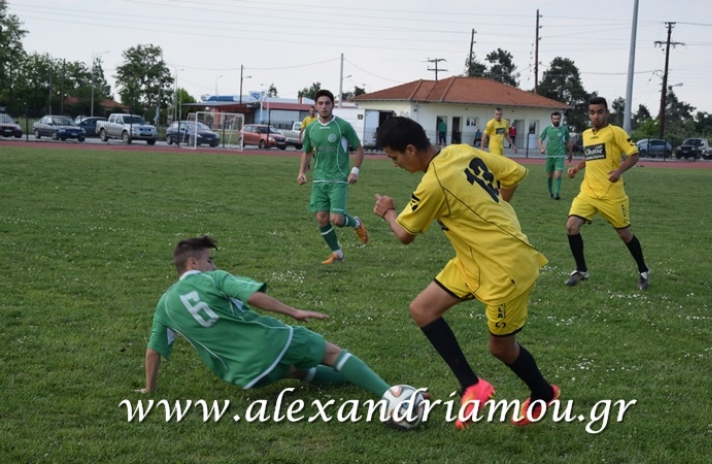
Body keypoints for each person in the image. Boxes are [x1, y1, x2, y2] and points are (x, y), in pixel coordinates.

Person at [373, 116, 558, 430]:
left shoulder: (433, 183)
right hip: (471, 261)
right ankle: (472, 386)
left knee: (500, 348)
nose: (395, 165)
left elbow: (405, 234)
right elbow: (514, 174)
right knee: (422, 309)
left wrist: (388, 211)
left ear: (410, 150)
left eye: (394, 158)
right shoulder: (460, 151)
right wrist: (495, 210)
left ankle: (543, 393)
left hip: (505, 267)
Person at [137, 236, 392, 400]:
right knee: (334, 354)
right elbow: (252, 297)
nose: (213, 265)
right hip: (269, 343)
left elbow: (153, 350)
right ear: (193, 263)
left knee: (301, 370)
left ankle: (362, 379)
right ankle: (392, 395)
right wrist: (293, 311)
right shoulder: (212, 278)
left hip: (245, 375)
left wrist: (150, 387)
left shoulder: (165, 306)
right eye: (210, 260)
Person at [564, 96, 650, 290]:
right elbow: (591, 156)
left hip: (612, 194)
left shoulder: (615, 133)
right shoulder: (586, 134)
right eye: (592, 112)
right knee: (571, 227)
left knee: (624, 234)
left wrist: (619, 171)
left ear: (607, 112)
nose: (596, 116)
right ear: (588, 113)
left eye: (600, 112)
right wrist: (577, 169)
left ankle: (643, 270)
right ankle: (581, 270)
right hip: (588, 192)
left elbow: (634, 154)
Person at [297, 89, 369, 265]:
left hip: (338, 179)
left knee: (336, 220)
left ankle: (356, 223)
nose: (323, 106)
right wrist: (301, 172)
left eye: (327, 103)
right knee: (321, 218)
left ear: (333, 105)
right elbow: (306, 152)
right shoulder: (311, 128)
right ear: (315, 105)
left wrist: (355, 171)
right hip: (319, 180)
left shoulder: (342, 126)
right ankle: (338, 255)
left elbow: (359, 149)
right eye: (320, 103)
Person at [538, 111, 573, 200]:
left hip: (560, 156)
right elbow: (540, 140)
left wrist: (570, 153)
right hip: (549, 156)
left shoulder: (564, 129)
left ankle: (557, 193)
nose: (556, 120)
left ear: (560, 119)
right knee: (549, 175)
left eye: (558, 119)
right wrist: (542, 148)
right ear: (551, 119)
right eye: (554, 119)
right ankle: (550, 193)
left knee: (558, 175)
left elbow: (568, 142)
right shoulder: (548, 129)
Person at [298, 106, 317, 170]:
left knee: (314, 153)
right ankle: (307, 166)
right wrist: (299, 136)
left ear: (315, 111)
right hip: (308, 138)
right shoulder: (306, 119)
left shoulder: (317, 119)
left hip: (315, 138)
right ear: (309, 111)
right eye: (311, 110)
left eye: (313, 110)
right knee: (307, 152)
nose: (312, 112)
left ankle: (317, 164)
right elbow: (302, 128)